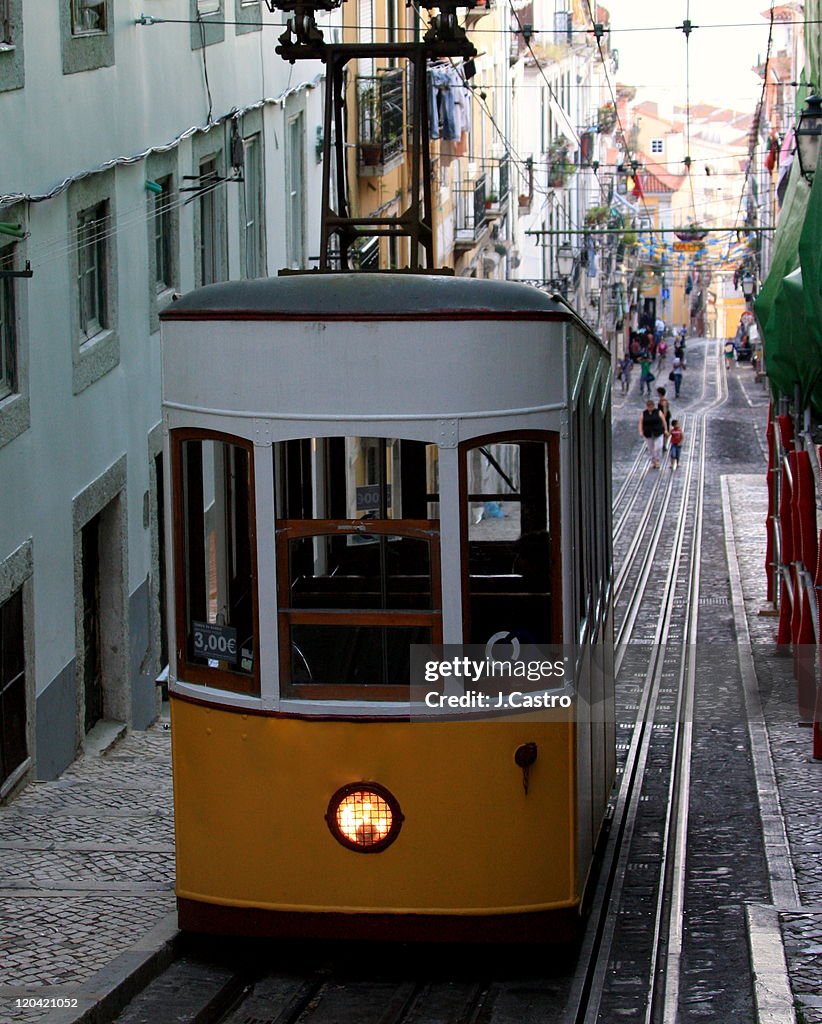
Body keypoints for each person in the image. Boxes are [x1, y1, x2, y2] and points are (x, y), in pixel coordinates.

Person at [639, 399, 668, 469]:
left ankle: (657, 460)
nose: (650, 408)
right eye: (649, 406)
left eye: (651, 406)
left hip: (658, 432)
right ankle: (653, 461)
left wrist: (666, 430)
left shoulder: (658, 412)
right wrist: (641, 431)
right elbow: (641, 422)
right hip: (648, 433)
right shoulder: (644, 413)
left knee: (659, 446)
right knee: (650, 448)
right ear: (647, 406)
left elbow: (664, 421)